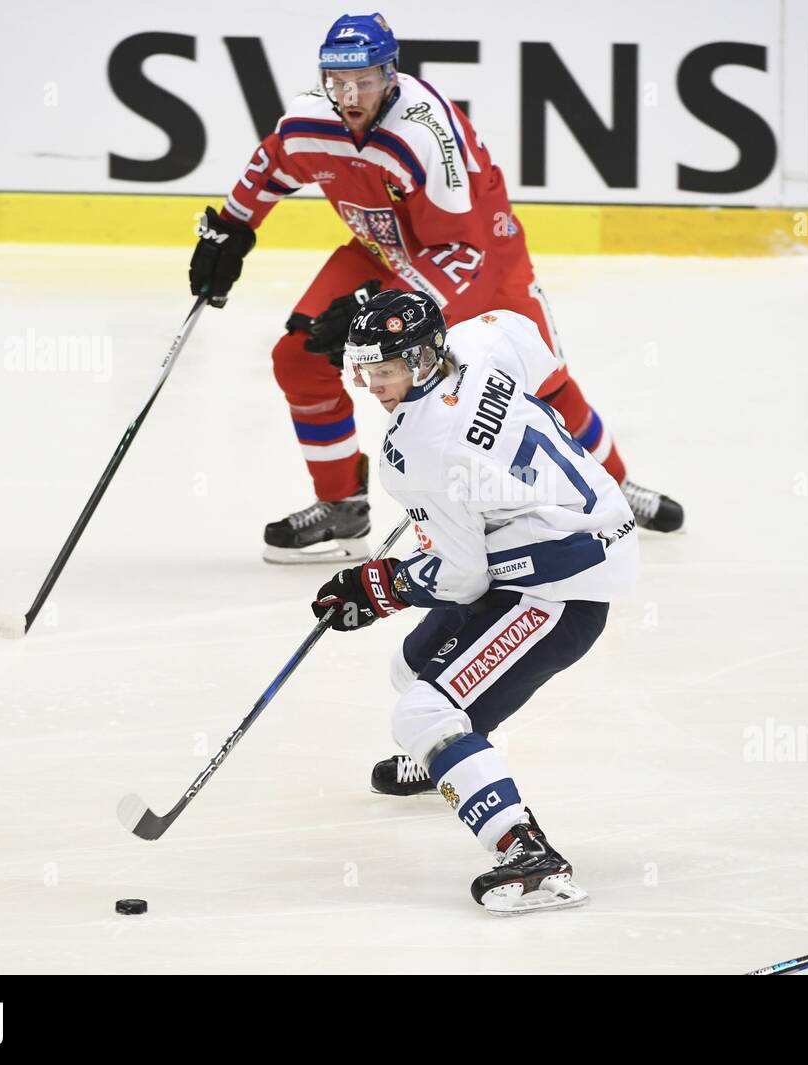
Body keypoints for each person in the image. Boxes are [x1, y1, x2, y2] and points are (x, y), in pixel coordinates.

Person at [187, 11, 682, 571]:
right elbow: (272, 165)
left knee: (542, 381)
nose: (350, 96)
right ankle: (341, 507)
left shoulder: (422, 132)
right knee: (300, 358)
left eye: (365, 81)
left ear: (391, 74)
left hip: (480, 258)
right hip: (383, 250)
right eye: (338, 81)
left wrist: (368, 311)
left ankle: (614, 487)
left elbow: (458, 250)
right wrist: (231, 228)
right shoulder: (309, 119)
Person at [306, 287, 638, 913]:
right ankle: (457, 765)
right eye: (368, 370)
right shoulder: (483, 339)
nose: (374, 385)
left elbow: (460, 581)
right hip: (580, 527)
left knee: (423, 716)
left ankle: (530, 855)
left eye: (387, 370)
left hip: (563, 582)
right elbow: (533, 342)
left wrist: (379, 586)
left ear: (426, 357)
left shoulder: (422, 451)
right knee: (411, 667)